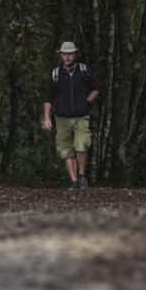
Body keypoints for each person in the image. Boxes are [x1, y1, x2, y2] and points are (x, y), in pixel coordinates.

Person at [43, 41, 101, 189]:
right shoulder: (55, 74)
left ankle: (82, 176)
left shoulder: (83, 70)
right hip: (62, 117)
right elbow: (48, 98)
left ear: (74, 54)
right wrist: (47, 117)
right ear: (61, 55)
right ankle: (74, 180)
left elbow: (96, 89)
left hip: (81, 115)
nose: (68, 57)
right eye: (65, 54)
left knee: (81, 145)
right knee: (66, 150)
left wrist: (87, 102)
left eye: (70, 54)